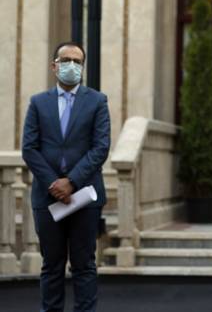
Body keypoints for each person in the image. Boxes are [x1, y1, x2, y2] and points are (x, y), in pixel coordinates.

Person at [22, 42, 111, 312]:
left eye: (77, 61)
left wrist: (71, 182)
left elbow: (100, 147)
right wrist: (54, 183)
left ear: (82, 67)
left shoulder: (97, 101)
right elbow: (29, 148)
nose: (72, 65)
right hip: (47, 198)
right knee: (51, 265)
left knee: (84, 265)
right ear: (54, 66)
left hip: (84, 196)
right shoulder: (38, 103)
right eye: (66, 60)